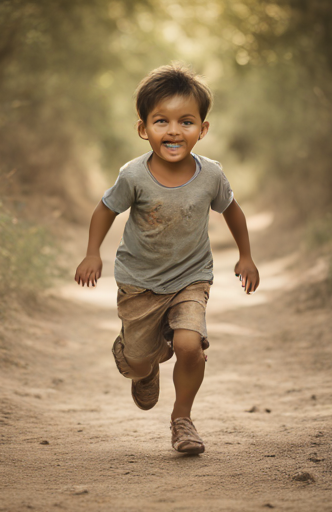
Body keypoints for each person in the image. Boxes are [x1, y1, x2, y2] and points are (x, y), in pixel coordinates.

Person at [74, 64, 259, 454]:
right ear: (143, 128)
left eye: (186, 121)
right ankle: (141, 365)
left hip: (191, 277)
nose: (174, 131)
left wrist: (246, 256)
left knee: (191, 345)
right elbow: (105, 210)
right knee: (141, 361)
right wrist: (93, 253)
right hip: (139, 281)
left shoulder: (211, 175)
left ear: (202, 129)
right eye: (162, 121)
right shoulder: (134, 176)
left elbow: (233, 211)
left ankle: (182, 420)